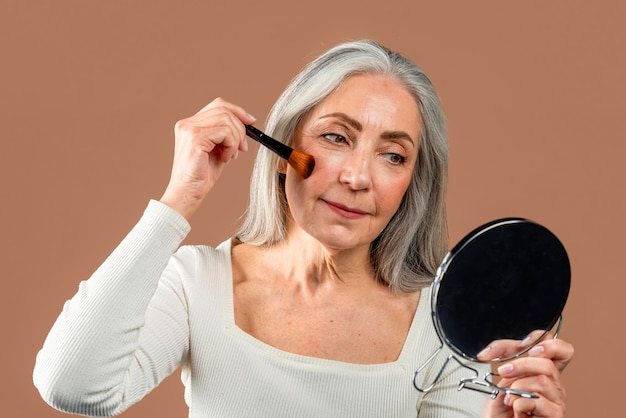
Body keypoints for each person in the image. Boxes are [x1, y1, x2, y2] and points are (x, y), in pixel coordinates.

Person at [33, 39, 573, 417]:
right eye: (337, 137)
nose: (358, 176)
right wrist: (180, 198)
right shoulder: (199, 284)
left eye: (392, 155)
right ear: (281, 150)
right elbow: (75, 387)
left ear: (412, 182)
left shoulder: (443, 329)